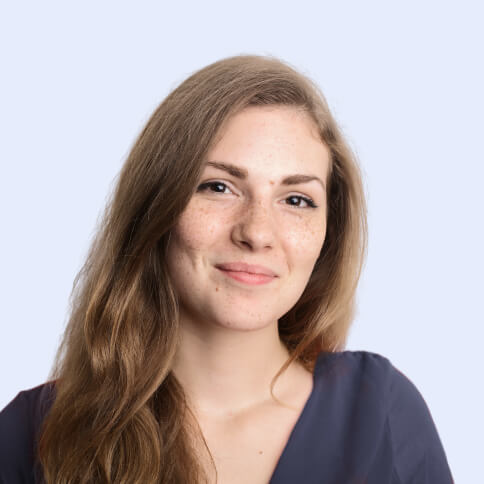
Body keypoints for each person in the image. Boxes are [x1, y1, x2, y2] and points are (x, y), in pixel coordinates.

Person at [0, 54, 453, 484]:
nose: (257, 232)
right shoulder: (29, 434)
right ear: (155, 206)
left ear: (328, 234)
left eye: (297, 200)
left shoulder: (381, 416)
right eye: (219, 187)